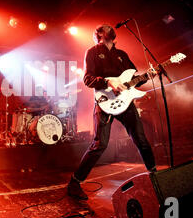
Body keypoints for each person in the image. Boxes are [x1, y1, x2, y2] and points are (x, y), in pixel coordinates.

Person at [67, 24, 157, 200]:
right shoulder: (92, 52)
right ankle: (74, 183)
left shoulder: (122, 55)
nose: (109, 27)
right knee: (100, 144)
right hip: (105, 102)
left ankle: (155, 176)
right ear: (99, 34)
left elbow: (134, 80)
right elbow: (88, 79)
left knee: (141, 139)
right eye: (105, 27)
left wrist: (148, 76)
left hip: (125, 102)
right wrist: (108, 83)